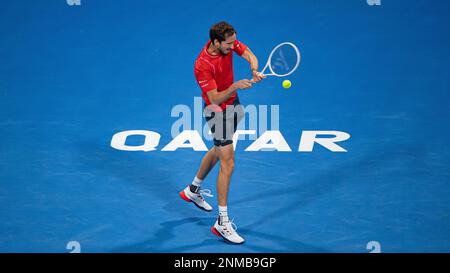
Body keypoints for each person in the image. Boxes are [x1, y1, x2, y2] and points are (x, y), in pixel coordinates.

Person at [179, 21, 265, 244]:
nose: (233, 46)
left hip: (234, 105)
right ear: (216, 42)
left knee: (219, 150)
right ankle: (222, 222)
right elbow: (215, 98)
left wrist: (254, 68)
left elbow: (248, 54)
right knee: (228, 162)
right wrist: (236, 86)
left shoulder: (228, 43)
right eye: (229, 44)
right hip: (217, 111)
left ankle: (192, 190)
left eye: (233, 41)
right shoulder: (202, 65)